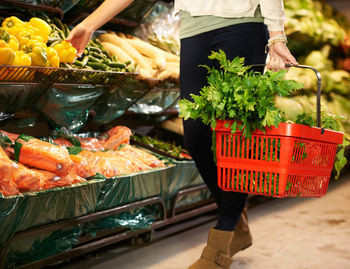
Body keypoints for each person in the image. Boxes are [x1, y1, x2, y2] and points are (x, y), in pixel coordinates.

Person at [67, 1, 298, 268]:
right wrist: (89, 24)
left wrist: (276, 35)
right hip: (193, 24)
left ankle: (221, 242)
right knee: (196, 137)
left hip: (243, 22)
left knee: (236, 139)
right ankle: (235, 219)